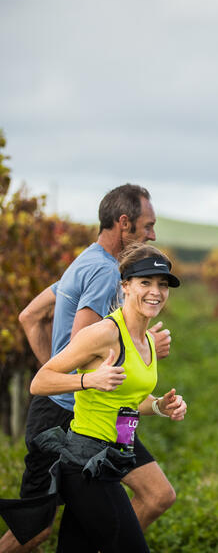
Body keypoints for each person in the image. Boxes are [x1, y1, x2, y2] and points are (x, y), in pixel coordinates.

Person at [0, 185, 175, 552]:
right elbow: (85, 343)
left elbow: (30, 316)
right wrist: (76, 380)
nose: (153, 235)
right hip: (64, 416)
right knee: (35, 528)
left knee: (156, 495)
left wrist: (135, 357)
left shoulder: (87, 260)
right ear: (124, 223)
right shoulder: (104, 272)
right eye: (147, 226)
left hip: (100, 418)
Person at [29, 242, 187, 552]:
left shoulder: (146, 340)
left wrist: (159, 406)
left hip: (113, 459)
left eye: (162, 284)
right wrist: (89, 380)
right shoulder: (104, 333)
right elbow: (40, 381)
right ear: (125, 286)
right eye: (145, 282)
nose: (156, 291)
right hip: (85, 463)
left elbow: (127, 401)